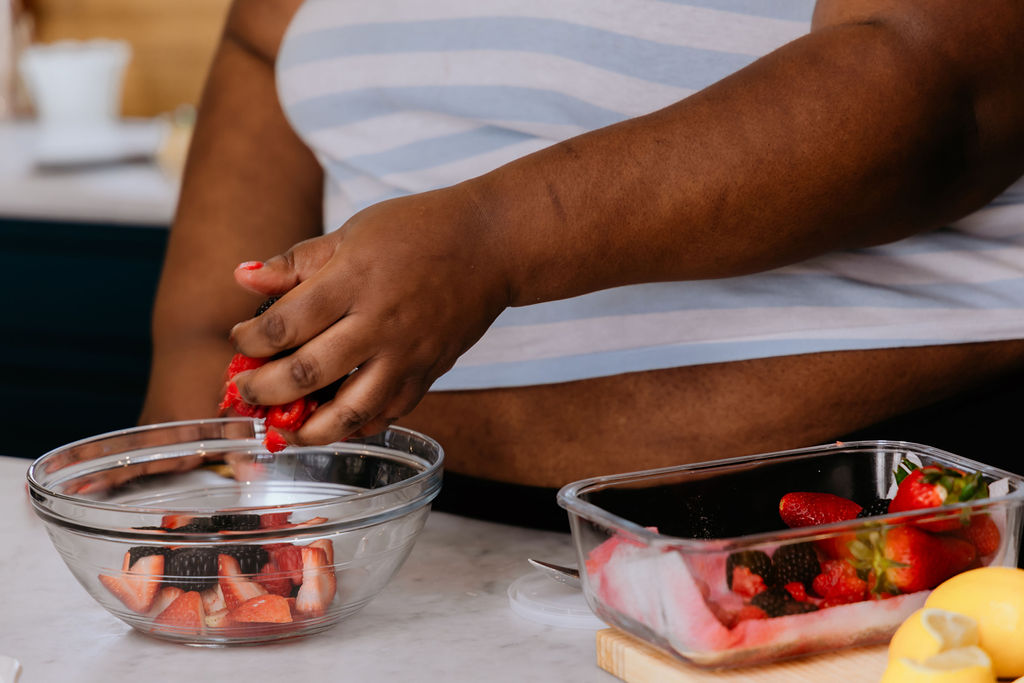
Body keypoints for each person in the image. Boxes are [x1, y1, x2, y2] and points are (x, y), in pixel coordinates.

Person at [139, 0, 1024, 528]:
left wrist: (491, 239)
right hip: (385, 530)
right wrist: (192, 474)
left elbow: (942, 88)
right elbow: (266, 40)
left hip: (866, 522)